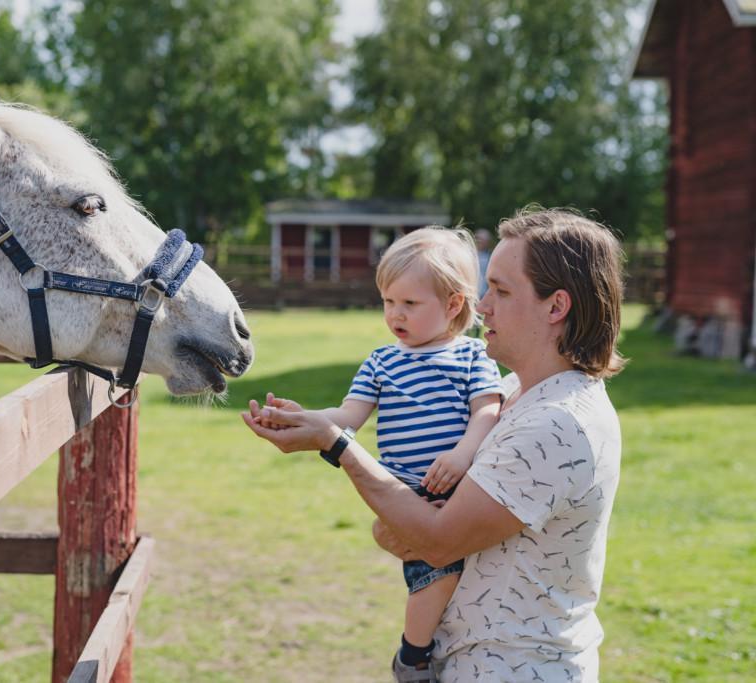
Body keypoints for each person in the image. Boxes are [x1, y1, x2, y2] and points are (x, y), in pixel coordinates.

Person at [242, 207, 624, 682]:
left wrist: (336, 445)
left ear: (555, 307)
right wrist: (395, 525)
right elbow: (413, 532)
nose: (481, 307)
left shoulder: (556, 425)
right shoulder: (514, 393)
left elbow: (438, 541)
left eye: (501, 291)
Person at [258, 226, 504, 680]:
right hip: (401, 494)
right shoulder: (381, 361)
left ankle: (417, 649)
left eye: (410, 304)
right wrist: (301, 417)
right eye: (389, 302)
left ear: (452, 304)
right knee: (435, 574)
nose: (396, 314)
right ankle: (413, 655)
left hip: (457, 486)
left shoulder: (472, 357)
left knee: (449, 574)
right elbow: (348, 415)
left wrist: (463, 455)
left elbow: (486, 411)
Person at [474, 228, 494, 300]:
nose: (480, 242)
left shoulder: (491, 256)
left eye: (482, 240)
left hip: (485, 292)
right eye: (478, 239)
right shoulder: (469, 255)